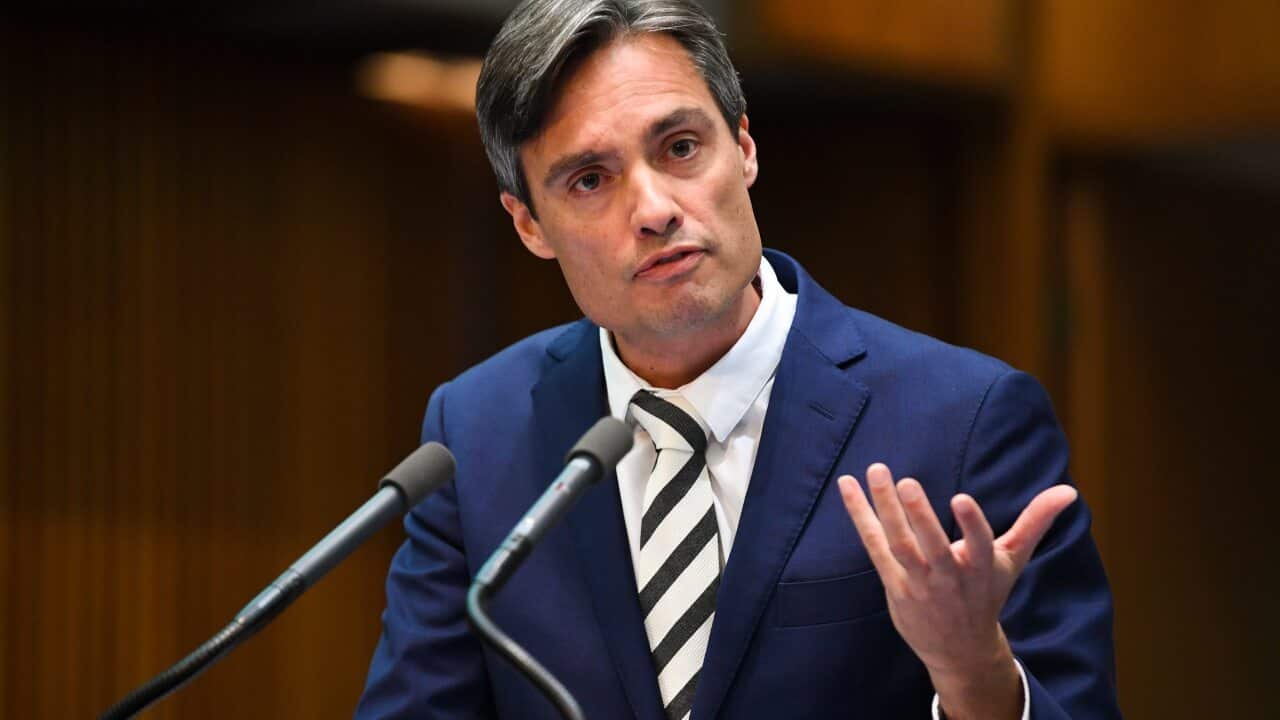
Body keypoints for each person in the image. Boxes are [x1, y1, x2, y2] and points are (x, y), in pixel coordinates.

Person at [355, 1, 1120, 718]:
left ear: (744, 148)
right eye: (591, 179)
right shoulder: (478, 432)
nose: (654, 210)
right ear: (529, 224)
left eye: (681, 147)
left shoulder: (965, 420)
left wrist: (974, 674)